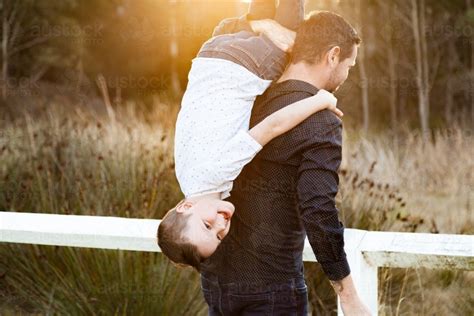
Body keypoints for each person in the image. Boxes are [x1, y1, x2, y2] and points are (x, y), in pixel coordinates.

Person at [199, 10, 372, 315]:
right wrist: (348, 295)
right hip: (272, 290)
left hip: (217, 284)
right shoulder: (320, 121)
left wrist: (259, 22)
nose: (346, 76)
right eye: (349, 66)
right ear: (333, 56)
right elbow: (318, 209)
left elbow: (221, 33)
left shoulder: (246, 96)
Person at [157, 0, 343, 265]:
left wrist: (321, 100)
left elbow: (273, 126)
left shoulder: (216, 174)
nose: (221, 226)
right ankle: (259, 17)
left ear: (185, 208)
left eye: (207, 226)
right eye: (219, 236)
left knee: (294, 42)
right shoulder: (187, 177)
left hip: (245, 65)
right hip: (212, 53)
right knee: (264, 14)